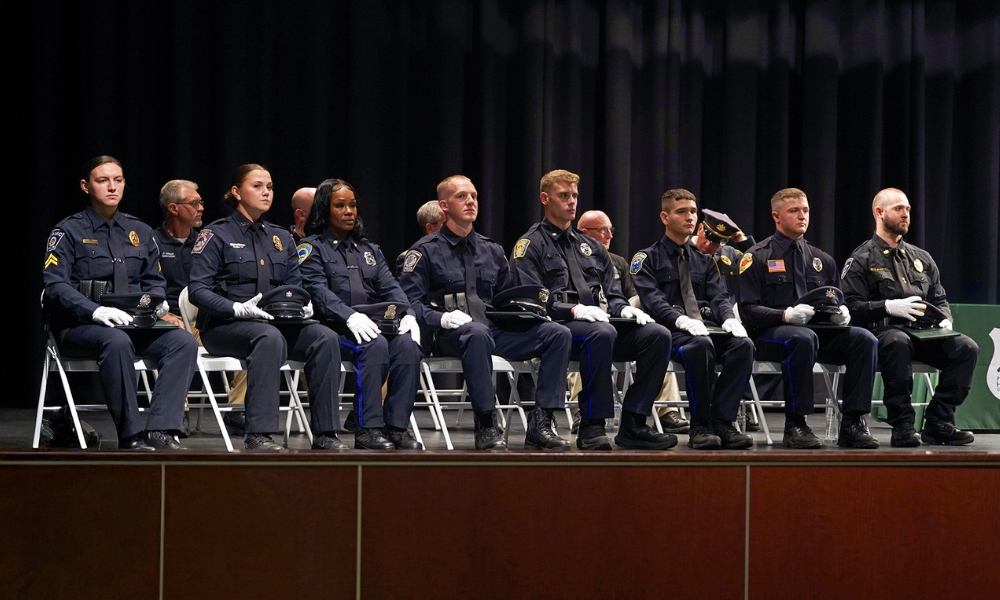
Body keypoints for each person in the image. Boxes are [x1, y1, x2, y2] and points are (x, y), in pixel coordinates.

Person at [399, 175, 573, 451]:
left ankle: (541, 423)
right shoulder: (425, 251)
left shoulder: (491, 250)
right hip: (447, 334)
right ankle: (486, 424)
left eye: (474, 196)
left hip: (491, 332)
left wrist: (531, 315)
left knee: (557, 333)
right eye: (461, 196)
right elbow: (408, 303)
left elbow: (506, 299)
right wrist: (441, 318)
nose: (470, 201)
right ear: (444, 205)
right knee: (476, 332)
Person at [508, 169, 675, 451]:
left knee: (658, 335)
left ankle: (634, 423)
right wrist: (572, 310)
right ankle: (592, 425)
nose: (572, 201)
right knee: (600, 333)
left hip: (599, 326)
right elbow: (532, 300)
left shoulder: (590, 247)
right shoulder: (530, 245)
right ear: (545, 198)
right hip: (557, 329)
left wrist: (624, 310)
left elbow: (612, 294)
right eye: (564, 195)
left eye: (574, 195)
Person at [42, 155, 197, 450]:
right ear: (86, 186)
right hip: (80, 327)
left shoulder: (139, 231)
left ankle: (162, 429)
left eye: (118, 180)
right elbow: (55, 284)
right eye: (102, 180)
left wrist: (157, 303)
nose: (112, 187)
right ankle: (131, 435)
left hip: (133, 324)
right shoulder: (68, 231)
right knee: (116, 342)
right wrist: (95, 309)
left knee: (182, 342)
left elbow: (155, 280)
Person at [188, 163, 345, 451]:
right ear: (236, 192)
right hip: (226, 325)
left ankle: (326, 433)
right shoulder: (216, 235)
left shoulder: (280, 237)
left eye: (270, 187)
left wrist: (304, 304)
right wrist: (236, 308)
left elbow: (295, 286)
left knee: (325, 337)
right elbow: (197, 291)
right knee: (268, 338)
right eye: (257, 186)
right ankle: (258, 434)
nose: (266, 192)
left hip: (275, 322)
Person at [738, 187, 879, 449]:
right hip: (770, 334)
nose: (802, 216)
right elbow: (747, 309)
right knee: (801, 338)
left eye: (805, 210)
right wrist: (784, 314)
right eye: (794, 211)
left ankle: (852, 422)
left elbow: (837, 299)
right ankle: (796, 424)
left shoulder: (821, 259)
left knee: (864, 339)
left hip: (817, 332)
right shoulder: (757, 256)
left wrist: (842, 312)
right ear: (776, 216)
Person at [841, 188, 978, 446]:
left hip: (923, 333)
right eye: (898, 209)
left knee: (966, 348)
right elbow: (850, 307)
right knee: (897, 341)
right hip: (882, 332)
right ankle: (902, 424)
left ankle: (938, 421)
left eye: (908, 210)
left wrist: (945, 318)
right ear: (879, 213)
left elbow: (938, 297)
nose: (905, 214)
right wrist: (887, 307)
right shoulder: (861, 259)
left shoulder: (921, 258)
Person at [298, 178, 424, 450]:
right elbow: (317, 290)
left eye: (353, 205)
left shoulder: (369, 250)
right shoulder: (311, 248)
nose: (349, 212)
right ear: (324, 210)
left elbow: (391, 287)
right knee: (375, 345)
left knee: (408, 346)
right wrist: (348, 316)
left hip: (371, 324)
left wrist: (408, 313)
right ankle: (367, 428)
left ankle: (396, 426)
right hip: (334, 326)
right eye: (340, 205)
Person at [631, 189, 755, 449]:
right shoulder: (647, 258)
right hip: (668, 331)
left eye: (693, 211)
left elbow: (718, 296)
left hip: (702, 328)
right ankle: (700, 425)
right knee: (700, 347)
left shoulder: (703, 260)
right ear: (665, 217)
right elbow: (653, 300)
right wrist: (679, 320)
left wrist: (729, 318)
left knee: (743, 346)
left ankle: (722, 420)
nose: (690, 217)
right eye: (681, 211)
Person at [576, 209, 689, 434]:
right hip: (585, 324)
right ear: (584, 233)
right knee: (591, 338)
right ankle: (584, 412)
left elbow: (630, 296)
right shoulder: (572, 258)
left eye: (611, 230)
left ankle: (664, 411)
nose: (609, 235)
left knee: (658, 335)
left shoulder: (617, 262)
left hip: (618, 323)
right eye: (602, 230)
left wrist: (628, 309)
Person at [692, 208, 771, 431]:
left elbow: (760, 265)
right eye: (708, 239)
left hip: (728, 320)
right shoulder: (683, 252)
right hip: (694, 321)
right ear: (700, 228)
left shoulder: (729, 254)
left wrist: (743, 241)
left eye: (718, 243)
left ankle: (729, 410)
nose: (711, 247)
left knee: (744, 345)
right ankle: (706, 418)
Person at [395, 200, 448, 278]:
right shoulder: (409, 257)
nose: (451, 228)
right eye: (445, 223)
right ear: (429, 228)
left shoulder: (459, 252)